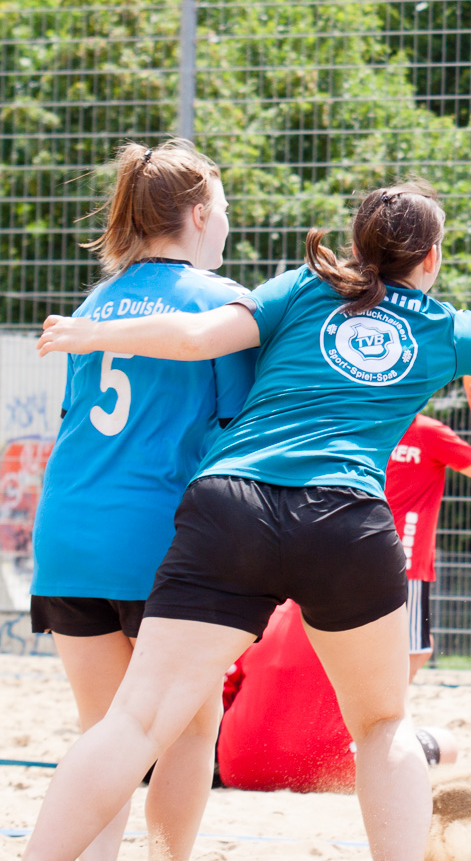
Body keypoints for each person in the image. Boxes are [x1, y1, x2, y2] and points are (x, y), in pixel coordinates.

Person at [28, 179, 471, 861]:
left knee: (135, 721)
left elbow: (196, 337)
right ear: (431, 257)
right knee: (383, 725)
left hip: (233, 502)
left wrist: (95, 332)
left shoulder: (303, 286)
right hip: (344, 519)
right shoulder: (442, 326)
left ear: (360, 245)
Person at [27, 140, 256, 861]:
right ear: (198, 214)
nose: (228, 222)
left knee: (107, 733)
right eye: (224, 208)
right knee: (187, 730)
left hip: (67, 533)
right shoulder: (219, 304)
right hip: (157, 539)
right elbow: (237, 434)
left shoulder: (96, 302)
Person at [217, 600, 460, 792]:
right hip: (336, 771)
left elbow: (223, 693)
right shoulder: (366, 613)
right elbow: (388, 700)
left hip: (240, 768)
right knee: (445, 743)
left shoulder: (261, 613)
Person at [385, 382, 471, 680]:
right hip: (406, 557)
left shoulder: (369, 427)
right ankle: (387, 708)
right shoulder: (427, 432)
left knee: (396, 645)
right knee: (413, 650)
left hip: (359, 550)